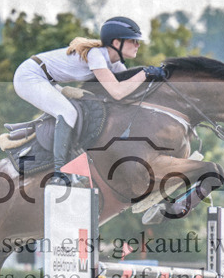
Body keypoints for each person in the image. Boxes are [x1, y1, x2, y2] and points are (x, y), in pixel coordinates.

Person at [12, 16, 166, 183]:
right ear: (116, 43)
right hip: (29, 76)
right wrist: (144, 73)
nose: (138, 45)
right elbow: (118, 92)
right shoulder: (96, 55)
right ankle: (60, 173)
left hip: (47, 80)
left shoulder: (115, 64)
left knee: (75, 110)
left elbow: (127, 92)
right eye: (133, 41)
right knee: (67, 112)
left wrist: (155, 79)